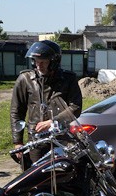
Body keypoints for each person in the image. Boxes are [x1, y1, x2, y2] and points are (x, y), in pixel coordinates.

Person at [10, 40, 83, 169]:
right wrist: (18, 142)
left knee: (64, 173)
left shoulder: (68, 79)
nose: (39, 65)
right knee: (35, 175)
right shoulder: (25, 79)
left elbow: (75, 107)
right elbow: (16, 111)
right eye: (36, 61)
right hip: (36, 139)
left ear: (53, 61)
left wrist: (52, 122)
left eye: (43, 61)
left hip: (61, 137)